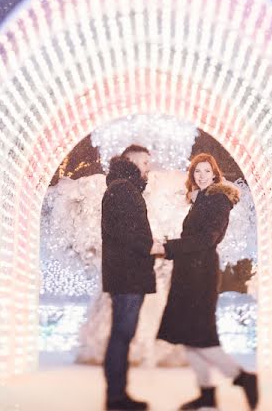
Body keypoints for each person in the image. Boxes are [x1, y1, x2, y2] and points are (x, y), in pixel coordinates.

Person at [156, 153, 259, 410]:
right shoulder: (203, 200)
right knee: (188, 335)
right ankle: (206, 393)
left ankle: (243, 378)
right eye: (196, 172)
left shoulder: (218, 200)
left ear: (215, 175)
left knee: (202, 336)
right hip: (188, 273)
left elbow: (207, 239)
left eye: (206, 171)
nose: (201, 176)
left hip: (200, 276)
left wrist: (167, 248)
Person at [101, 144, 165, 411]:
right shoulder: (123, 189)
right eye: (145, 163)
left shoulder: (122, 187)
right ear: (132, 161)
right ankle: (116, 398)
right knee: (121, 335)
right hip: (128, 274)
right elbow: (126, 232)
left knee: (122, 335)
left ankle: (118, 395)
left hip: (127, 273)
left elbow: (124, 230)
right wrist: (150, 246)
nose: (148, 168)